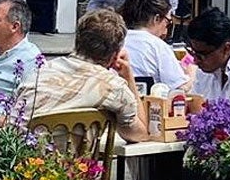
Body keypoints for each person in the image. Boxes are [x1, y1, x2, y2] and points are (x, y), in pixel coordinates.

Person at [28, 8, 149, 142]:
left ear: (77, 40)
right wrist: (128, 76)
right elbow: (140, 134)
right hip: (76, 162)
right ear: (115, 55)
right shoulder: (114, 88)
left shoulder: (39, 72)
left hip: (21, 159)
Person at [119, 0, 185, 92]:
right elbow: (179, 87)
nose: (166, 31)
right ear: (157, 19)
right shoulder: (157, 45)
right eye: (168, 22)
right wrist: (192, 72)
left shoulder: (116, 40)